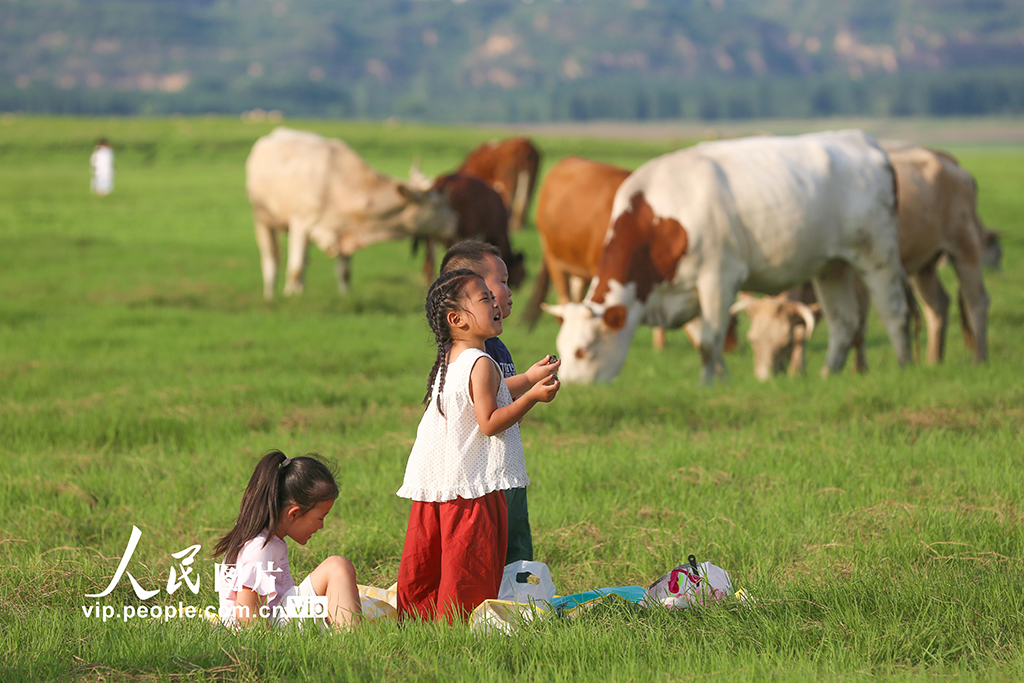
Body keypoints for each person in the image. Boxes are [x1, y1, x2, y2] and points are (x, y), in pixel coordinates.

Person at [396, 268, 560, 622]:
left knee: (435, 560)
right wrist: (532, 395)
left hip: (439, 483)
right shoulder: (482, 363)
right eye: (484, 298)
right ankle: (457, 622)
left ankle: (422, 620)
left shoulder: (452, 358)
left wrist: (529, 377)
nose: (495, 303)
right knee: (467, 562)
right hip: (469, 488)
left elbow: (490, 393)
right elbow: (490, 422)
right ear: (457, 319)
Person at [439, 241, 556, 566]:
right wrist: (531, 391)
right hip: (478, 477)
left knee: (515, 547)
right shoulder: (467, 353)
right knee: (485, 554)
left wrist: (531, 379)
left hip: (504, 467)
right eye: (499, 283)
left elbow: (499, 397)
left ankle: (518, 605)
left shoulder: (496, 347)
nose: (508, 290)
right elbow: (485, 404)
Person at [214, 450, 361, 629]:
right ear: (294, 513)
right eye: (321, 518)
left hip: (279, 617)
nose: (321, 526)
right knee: (337, 566)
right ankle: (351, 639)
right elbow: (246, 611)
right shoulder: (259, 548)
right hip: (272, 629)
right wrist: (271, 646)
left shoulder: (266, 539)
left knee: (336, 586)